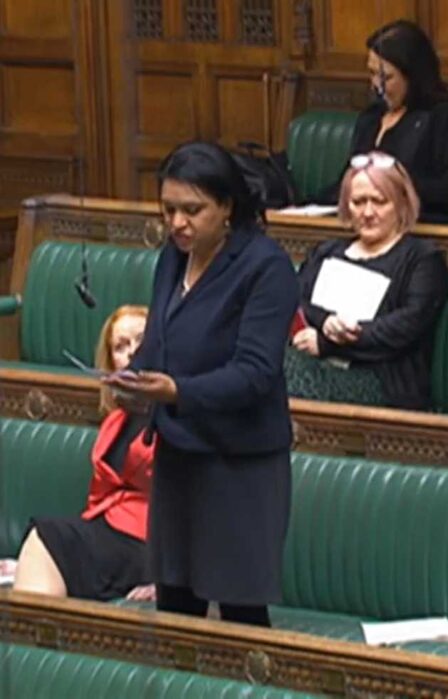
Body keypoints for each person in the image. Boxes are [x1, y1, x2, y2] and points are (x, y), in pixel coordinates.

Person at [105, 141, 298, 627]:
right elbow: (162, 339)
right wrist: (132, 377)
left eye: (192, 210)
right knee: (175, 605)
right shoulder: (173, 257)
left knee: (239, 610)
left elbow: (255, 373)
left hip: (240, 465)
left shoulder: (265, 266)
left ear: (227, 206)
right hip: (178, 455)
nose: (177, 223)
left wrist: (177, 391)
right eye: (169, 210)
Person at [8, 305, 155, 602]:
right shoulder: (117, 421)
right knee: (44, 544)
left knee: (46, 537)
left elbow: (203, 504)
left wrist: (172, 580)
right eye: (121, 346)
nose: (132, 352)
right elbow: (98, 499)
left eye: (142, 340)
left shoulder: (182, 418)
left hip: (151, 545)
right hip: (109, 536)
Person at [291, 151, 448, 410]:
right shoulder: (325, 252)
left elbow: (401, 330)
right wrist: (327, 321)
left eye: (379, 201)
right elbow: (292, 301)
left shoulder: (423, 259)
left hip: (382, 384)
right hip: (313, 365)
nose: (367, 212)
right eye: (358, 202)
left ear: (401, 203)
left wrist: (326, 343)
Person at [313, 19, 448, 224]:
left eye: (386, 78)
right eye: (371, 74)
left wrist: (391, 184)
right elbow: (348, 180)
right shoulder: (371, 117)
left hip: (417, 231)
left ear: (413, 76)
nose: (376, 86)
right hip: (362, 227)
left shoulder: (445, 116)